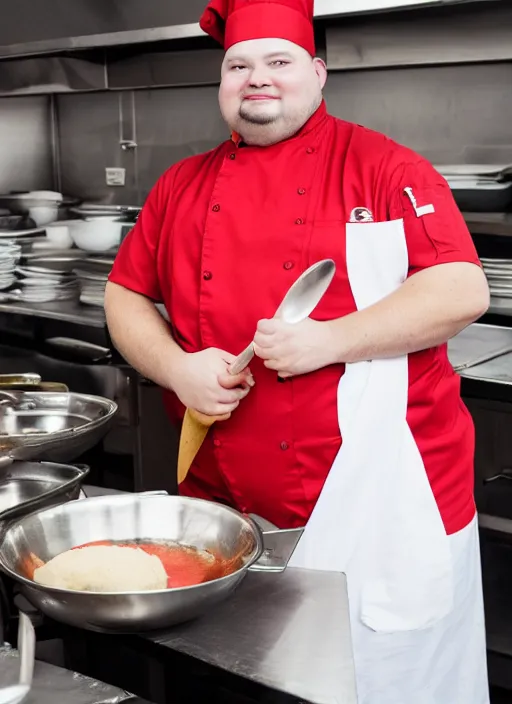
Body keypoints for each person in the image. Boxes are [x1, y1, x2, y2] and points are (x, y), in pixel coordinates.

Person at [104, 0, 491, 701]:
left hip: (381, 496)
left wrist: (330, 341)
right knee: (246, 681)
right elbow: (124, 295)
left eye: (279, 62)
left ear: (317, 73)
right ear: (221, 83)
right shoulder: (180, 186)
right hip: (226, 507)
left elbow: (461, 289)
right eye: (239, 65)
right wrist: (175, 367)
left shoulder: (382, 165)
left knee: (383, 680)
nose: (258, 78)